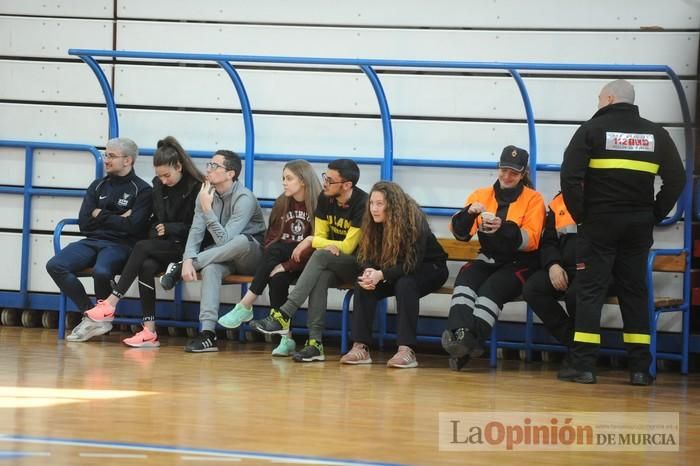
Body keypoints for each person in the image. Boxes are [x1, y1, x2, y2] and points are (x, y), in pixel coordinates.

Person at [560, 79, 685, 385]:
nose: (598, 103)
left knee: (590, 290)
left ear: (610, 98)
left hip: (599, 222)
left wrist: (582, 216)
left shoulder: (590, 130)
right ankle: (641, 368)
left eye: (599, 98)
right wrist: (654, 212)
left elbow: (570, 177)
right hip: (637, 224)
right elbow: (677, 178)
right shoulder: (656, 134)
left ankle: (585, 365)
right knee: (634, 291)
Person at [73, 136, 203, 346]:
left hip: (189, 248)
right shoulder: (158, 186)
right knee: (146, 266)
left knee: (141, 246)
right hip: (163, 245)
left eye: (167, 175)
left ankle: (110, 302)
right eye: (159, 176)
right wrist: (157, 229)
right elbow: (152, 220)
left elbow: (200, 229)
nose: (163, 181)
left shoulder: (197, 187)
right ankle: (149, 332)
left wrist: (170, 228)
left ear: (179, 166)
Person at [248, 159, 367, 363]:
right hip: (331, 260)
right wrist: (323, 243)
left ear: (347, 185)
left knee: (320, 256)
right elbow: (322, 237)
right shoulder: (324, 198)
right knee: (320, 275)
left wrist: (312, 240)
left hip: (359, 265)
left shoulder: (362, 203)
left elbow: (348, 247)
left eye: (330, 180)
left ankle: (284, 313)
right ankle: (315, 343)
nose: (324, 183)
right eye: (324, 177)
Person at [441, 145, 545, 371]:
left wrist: (503, 227)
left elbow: (531, 240)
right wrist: (468, 214)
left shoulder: (534, 199)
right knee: (465, 282)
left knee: (490, 291)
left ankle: (466, 347)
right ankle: (462, 338)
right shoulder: (480, 195)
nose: (507, 176)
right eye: (504, 170)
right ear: (498, 168)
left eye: (514, 173)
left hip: (521, 262)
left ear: (523, 173)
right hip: (489, 258)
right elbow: (460, 234)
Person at [159, 150, 266, 353]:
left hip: (250, 255)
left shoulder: (245, 198)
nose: (208, 169)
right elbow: (196, 231)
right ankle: (208, 333)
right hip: (220, 255)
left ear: (230, 173)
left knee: (241, 241)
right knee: (211, 269)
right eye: (209, 164)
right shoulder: (205, 193)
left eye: (215, 166)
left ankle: (179, 267)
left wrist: (208, 210)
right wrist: (189, 258)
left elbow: (226, 240)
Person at [47, 137, 152, 342]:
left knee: (102, 271)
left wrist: (100, 215)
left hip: (122, 244)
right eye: (106, 154)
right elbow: (85, 223)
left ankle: (101, 315)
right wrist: (118, 217)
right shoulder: (97, 186)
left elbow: (133, 227)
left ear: (128, 160)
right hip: (92, 240)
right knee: (55, 265)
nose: (106, 160)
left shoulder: (143, 190)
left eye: (111, 156)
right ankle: (92, 316)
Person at [217, 160, 322, 357]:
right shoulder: (283, 201)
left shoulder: (318, 204)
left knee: (277, 252)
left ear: (303, 181)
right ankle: (286, 339)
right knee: (276, 277)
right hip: (283, 258)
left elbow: (317, 245)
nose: (284, 182)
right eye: (283, 178)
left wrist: (287, 264)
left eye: (289, 178)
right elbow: (272, 238)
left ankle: (245, 304)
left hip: (308, 262)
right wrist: (278, 265)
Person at [340, 181, 448, 368]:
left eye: (380, 204)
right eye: (372, 203)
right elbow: (364, 254)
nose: (374, 208)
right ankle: (360, 347)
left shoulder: (413, 220)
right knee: (363, 284)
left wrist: (381, 274)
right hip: (392, 269)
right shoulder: (371, 221)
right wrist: (369, 272)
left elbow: (411, 264)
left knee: (405, 284)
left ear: (393, 204)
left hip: (430, 267)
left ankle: (406, 349)